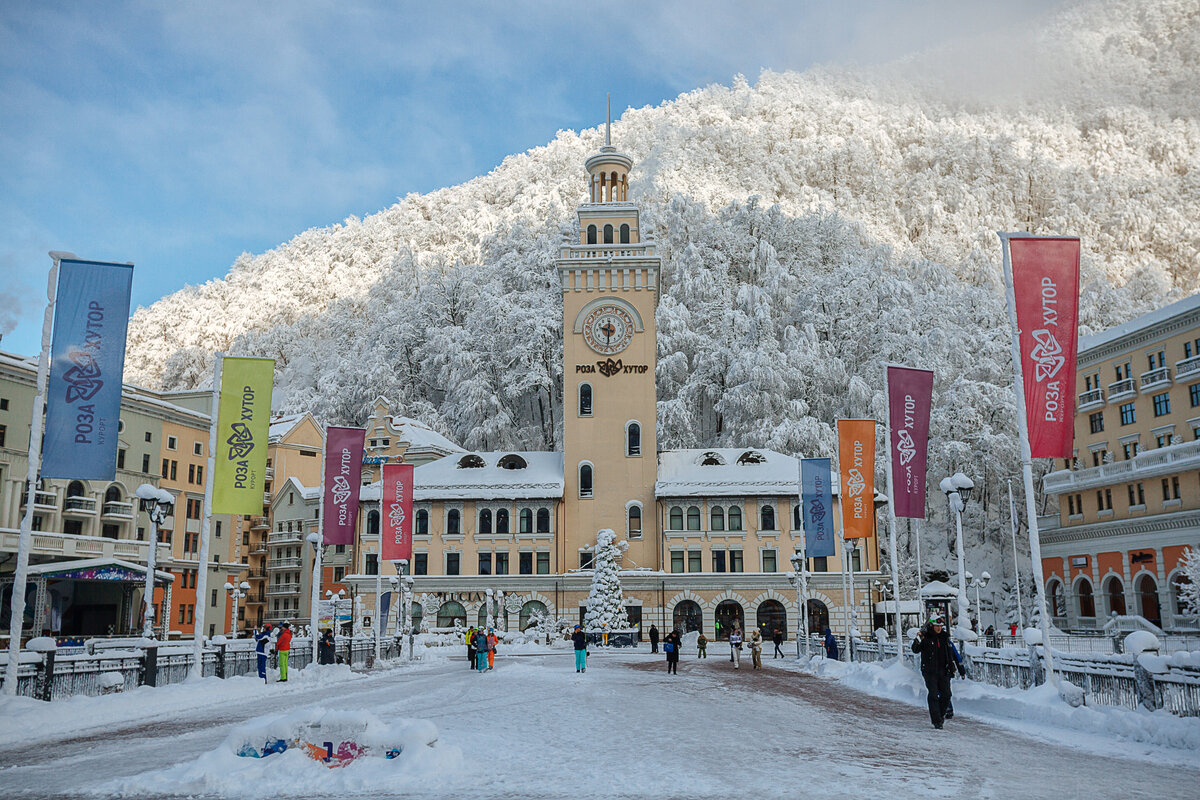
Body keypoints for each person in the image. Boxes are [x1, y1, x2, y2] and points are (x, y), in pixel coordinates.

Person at [911, 615, 959, 729]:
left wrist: (955, 667)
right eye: (937, 626)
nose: (939, 628)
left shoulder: (944, 638)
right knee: (933, 694)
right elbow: (915, 649)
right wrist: (918, 638)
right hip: (929, 671)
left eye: (940, 626)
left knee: (947, 694)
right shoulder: (925, 637)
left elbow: (950, 653)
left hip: (944, 671)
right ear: (931, 626)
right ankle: (936, 720)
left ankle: (941, 715)